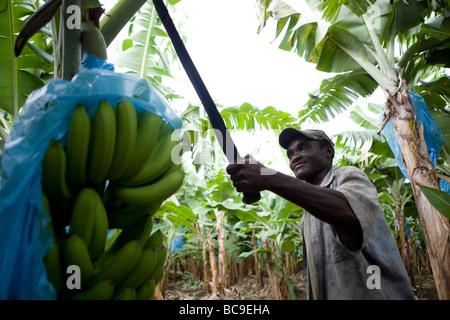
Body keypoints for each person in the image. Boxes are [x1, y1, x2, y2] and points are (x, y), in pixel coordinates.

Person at [226, 128, 416, 300]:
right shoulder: (308, 212)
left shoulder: (347, 176)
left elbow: (348, 212)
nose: (295, 157)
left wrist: (268, 177)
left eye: (303, 148)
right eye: (290, 154)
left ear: (328, 151)